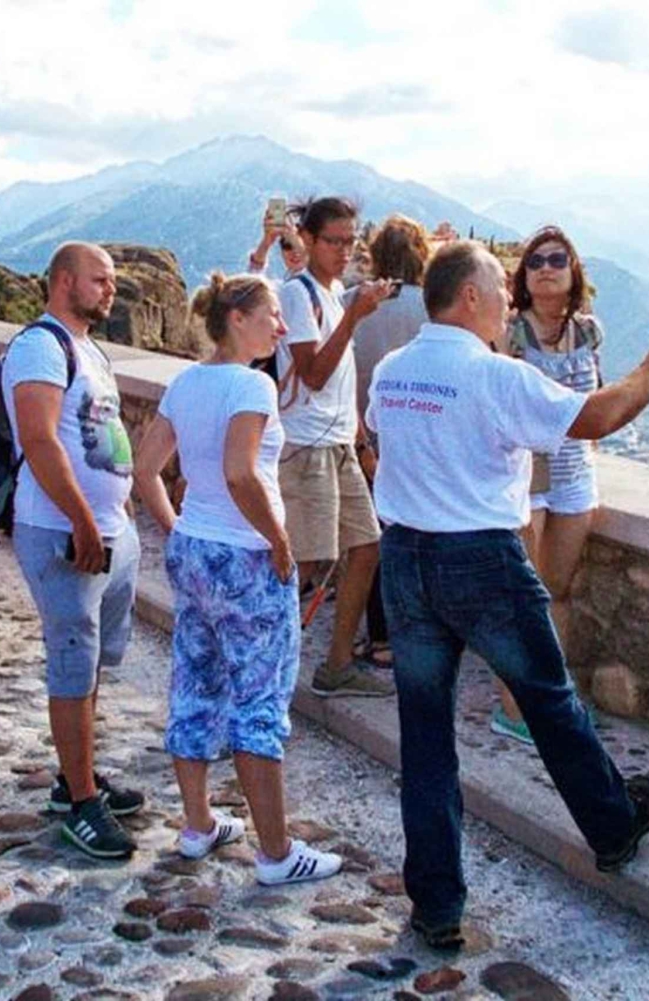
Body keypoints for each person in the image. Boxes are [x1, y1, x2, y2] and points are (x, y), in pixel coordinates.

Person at [366, 240, 649, 949]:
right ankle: (612, 826)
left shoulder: (394, 371)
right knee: (550, 701)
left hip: (405, 555)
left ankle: (435, 904)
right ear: (468, 300)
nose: (507, 300)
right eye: (497, 287)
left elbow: (380, 440)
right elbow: (594, 418)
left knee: (425, 739)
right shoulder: (495, 375)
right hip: (481, 559)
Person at [133, 272, 344, 886]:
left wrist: (179, 531)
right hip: (247, 556)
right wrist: (280, 542)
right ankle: (277, 854)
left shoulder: (186, 382)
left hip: (196, 549)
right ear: (237, 319)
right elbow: (241, 474)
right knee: (259, 698)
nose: (281, 327)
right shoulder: (252, 386)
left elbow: (146, 471)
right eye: (273, 314)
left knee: (196, 681)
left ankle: (199, 825)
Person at [5, 241, 145, 860]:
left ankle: (76, 779)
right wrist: (83, 520)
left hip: (108, 528)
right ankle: (83, 807)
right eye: (100, 279)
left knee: (89, 664)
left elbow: (101, 429)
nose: (110, 289)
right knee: (71, 661)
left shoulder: (89, 349)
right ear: (64, 281)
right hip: (61, 532)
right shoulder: (40, 345)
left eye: (111, 281)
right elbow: (39, 440)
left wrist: (122, 505)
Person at [276, 196, 396, 697]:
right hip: (305, 448)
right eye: (334, 241)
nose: (344, 252)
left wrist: (361, 440)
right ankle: (262, 668)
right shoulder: (296, 294)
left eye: (351, 242)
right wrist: (354, 316)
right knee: (306, 567)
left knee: (366, 548)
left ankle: (337, 663)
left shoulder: (333, 293)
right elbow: (315, 374)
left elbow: (342, 385)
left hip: (340, 445)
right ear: (307, 239)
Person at [491, 226, 605, 746]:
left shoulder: (588, 332)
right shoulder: (511, 333)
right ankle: (515, 708)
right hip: (528, 475)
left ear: (573, 269)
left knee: (556, 590)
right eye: (535, 261)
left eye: (557, 259)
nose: (545, 267)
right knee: (523, 598)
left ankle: (550, 700)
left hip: (575, 472)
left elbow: (595, 396)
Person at [348, 214, 432, 668]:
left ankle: (381, 639)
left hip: (366, 438)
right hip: (423, 441)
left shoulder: (356, 303)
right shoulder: (434, 309)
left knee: (378, 545)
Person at [248, 206, 307, 279]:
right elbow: (253, 282)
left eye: (303, 244)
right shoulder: (283, 287)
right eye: (287, 245)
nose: (294, 252)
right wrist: (266, 242)